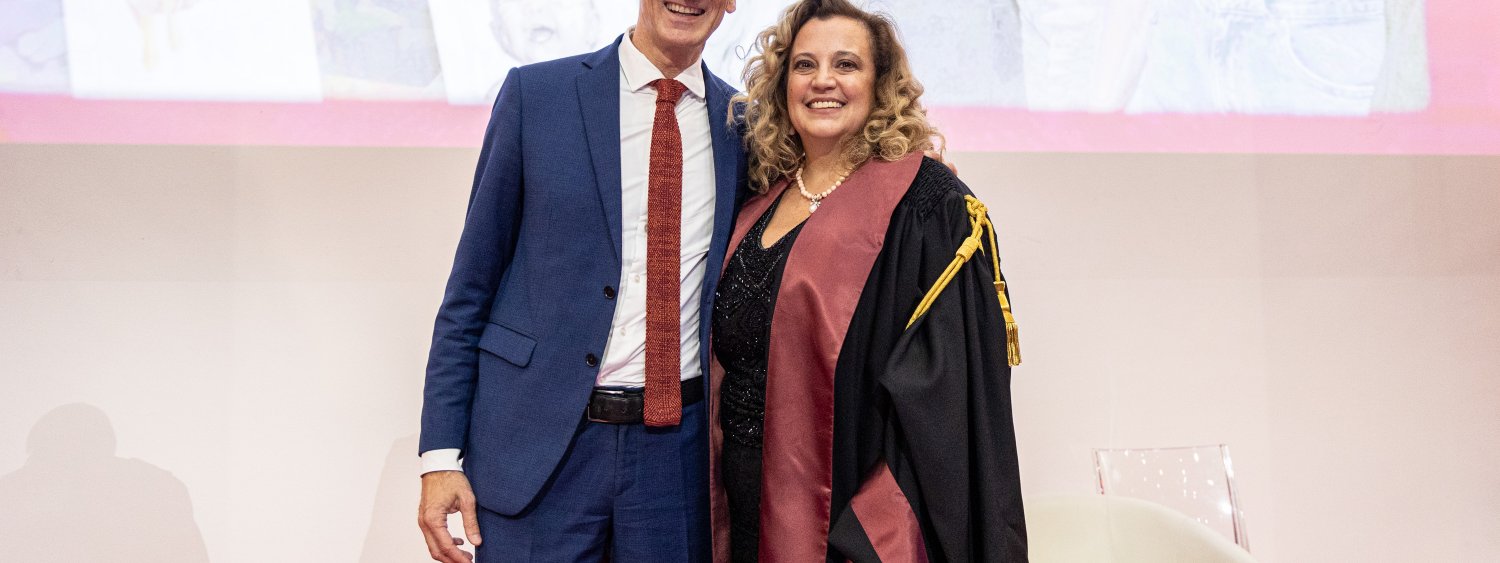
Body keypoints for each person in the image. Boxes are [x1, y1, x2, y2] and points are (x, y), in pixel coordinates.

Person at [416, 2, 742, 562]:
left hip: (676, 462)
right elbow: (471, 286)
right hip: (539, 449)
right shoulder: (537, 95)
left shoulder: (744, 125)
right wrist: (441, 455)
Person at [707, 1, 1028, 561]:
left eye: (846, 64)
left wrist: (868, 534)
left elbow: (945, 404)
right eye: (804, 65)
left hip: (847, 524)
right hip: (740, 508)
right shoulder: (759, 198)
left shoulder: (926, 208)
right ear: (783, 83)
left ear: (881, 85)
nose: (823, 81)